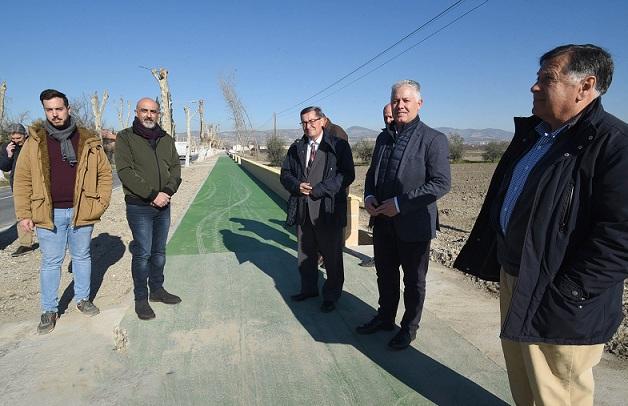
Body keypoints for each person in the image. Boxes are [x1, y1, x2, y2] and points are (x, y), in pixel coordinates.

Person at [454, 44, 628, 405]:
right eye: (537, 78)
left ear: (585, 86)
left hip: (559, 297)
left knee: (558, 392)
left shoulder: (615, 144)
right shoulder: (538, 135)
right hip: (517, 277)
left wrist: (569, 291)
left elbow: (621, 237)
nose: (534, 87)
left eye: (546, 78)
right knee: (524, 381)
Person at [356, 80, 451, 350]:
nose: (400, 105)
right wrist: (370, 196)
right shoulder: (383, 138)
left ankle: (408, 328)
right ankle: (385, 317)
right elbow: (373, 175)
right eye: (396, 100)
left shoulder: (434, 139)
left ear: (419, 104)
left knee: (413, 281)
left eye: (406, 100)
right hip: (383, 222)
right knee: (385, 275)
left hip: (414, 225)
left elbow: (441, 183)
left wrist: (400, 204)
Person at [13, 89, 112, 334]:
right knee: (51, 262)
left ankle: (82, 299)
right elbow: (23, 179)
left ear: (68, 109)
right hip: (48, 213)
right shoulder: (35, 141)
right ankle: (49, 309)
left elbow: (105, 174)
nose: (55, 114)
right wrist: (24, 214)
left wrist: (99, 204)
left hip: (82, 211)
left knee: (82, 257)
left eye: (59, 109)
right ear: (45, 111)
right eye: (49, 110)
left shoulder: (87, 139)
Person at [280, 106, 355, 313]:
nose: (308, 125)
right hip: (303, 211)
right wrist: (296, 186)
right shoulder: (296, 147)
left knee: (332, 257)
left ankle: (331, 295)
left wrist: (320, 190)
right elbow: (285, 173)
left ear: (322, 121)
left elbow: (347, 175)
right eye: (304, 122)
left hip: (328, 211)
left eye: (312, 121)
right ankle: (309, 289)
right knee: (305, 254)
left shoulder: (338, 146)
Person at [115, 97, 182, 320]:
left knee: (159, 253)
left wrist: (168, 192)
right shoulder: (125, 138)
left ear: (159, 114)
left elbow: (175, 169)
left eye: (153, 111)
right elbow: (125, 171)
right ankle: (141, 299)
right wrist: (153, 195)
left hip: (164, 204)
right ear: (136, 112)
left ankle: (157, 290)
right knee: (142, 254)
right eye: (144, 110)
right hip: (139, 206)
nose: (148, 115)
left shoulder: (166, 139)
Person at [359, 103, 395, 268]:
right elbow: (372, 171)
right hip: (381, 205)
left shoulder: (422, 138)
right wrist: (368, 196)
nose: (388, 120)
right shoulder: (382, 138)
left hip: (406, 210)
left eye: (391, 116)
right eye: (385, 117)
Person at [0, 123, 37, 257]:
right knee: (22, 214)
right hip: (18, 185)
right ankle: (25, 244)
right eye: (13, 138)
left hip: (37, 183)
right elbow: (4, 167)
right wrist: (8, 155)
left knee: (42, 211)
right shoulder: (7, 147)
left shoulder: (33, 144)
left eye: (18, 138)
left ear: (24, 135)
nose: (16, 141)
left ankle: (50, 240)